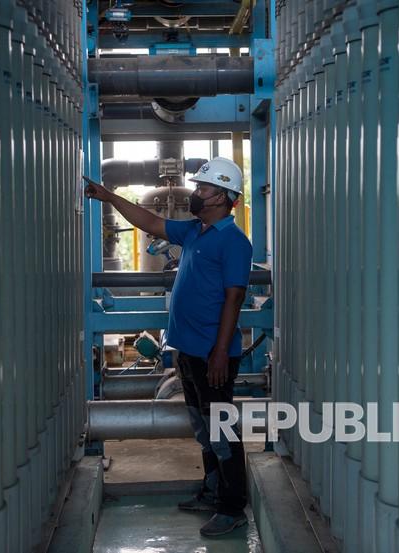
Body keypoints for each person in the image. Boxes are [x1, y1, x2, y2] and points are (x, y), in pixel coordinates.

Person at [84, 157, 253, 537]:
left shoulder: (234, 242)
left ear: (224, 198)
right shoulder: (196, 231)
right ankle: (212, 491)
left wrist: (220, 353)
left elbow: (234, 299)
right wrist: (109, 196)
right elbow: (149, 221)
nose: (196, 194)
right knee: (203, 429)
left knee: (222, 432)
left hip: (213, 354)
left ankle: (232, 507)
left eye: (204, 189)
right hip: (190, 352)